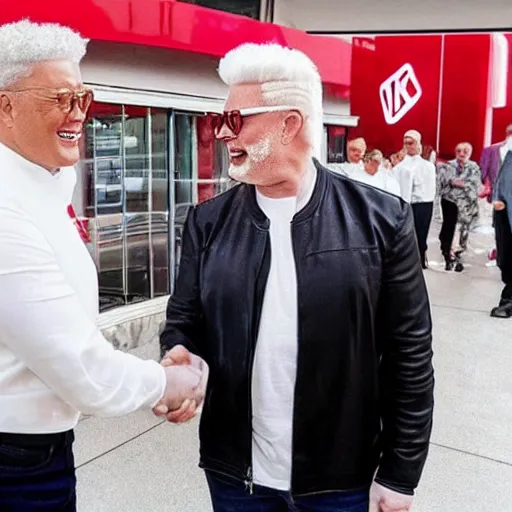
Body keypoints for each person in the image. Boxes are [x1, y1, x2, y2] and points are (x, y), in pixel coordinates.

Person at [160, 42, 434, 512]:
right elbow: (184, 320)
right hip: (235, 478)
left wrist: (400, 474)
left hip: (341, 482)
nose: (221, 134)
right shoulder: (207, 222)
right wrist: (181, 355)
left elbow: (410, 356)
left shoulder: (383, 220)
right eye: (218, 120)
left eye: (235, 119)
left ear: (289, 123)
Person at [0, 20, 206, 511]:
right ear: (5, 105)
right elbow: (80, 367)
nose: (78, 114)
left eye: (83, 97)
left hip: (37, 450)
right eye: (60, 99)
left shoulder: (44, 185)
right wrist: (170, 381)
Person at [394, 130, 436, 268]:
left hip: (423, 204)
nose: (408, 146)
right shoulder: (399, 168)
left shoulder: (428, 166)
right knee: (405, 234)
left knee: (421, 232)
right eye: (406, 143)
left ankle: (420, 259)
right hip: (404, 203)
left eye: (411, 143)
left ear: (418, 143)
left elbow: (430, 188)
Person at [437, 142, 481, 271]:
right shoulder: (447, 166)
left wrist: (458, 183)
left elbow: (474, 184)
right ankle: (447, 253)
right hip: (449, 201)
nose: (462, 154)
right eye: (459, 151)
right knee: (449, 227)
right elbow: (444, 181)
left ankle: (457, 251)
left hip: (466, 203)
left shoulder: (474, 167)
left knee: (463, 228)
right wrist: (457, 183)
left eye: (465, 151)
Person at [490, 150, 512, 318]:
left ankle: (507, 301)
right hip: (505, 214)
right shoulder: (509, 155)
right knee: (506, 260)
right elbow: (502, 184)